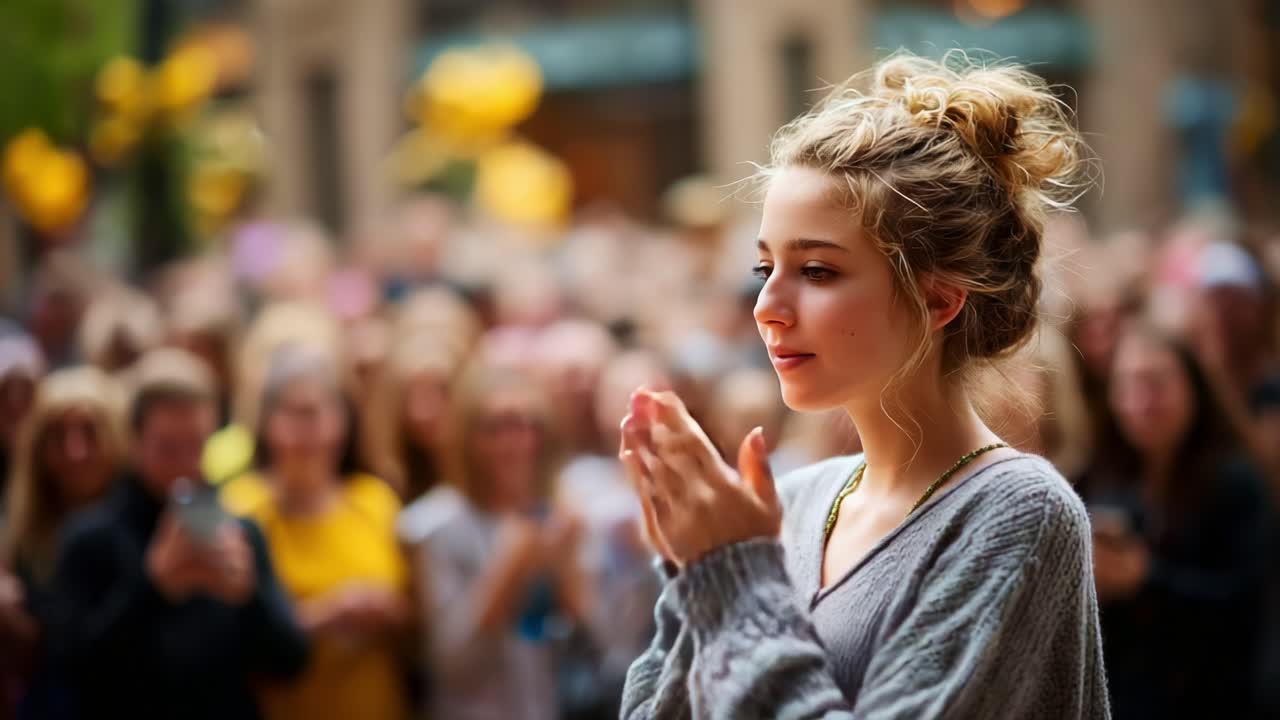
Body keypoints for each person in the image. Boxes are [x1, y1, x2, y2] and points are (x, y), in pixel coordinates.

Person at [618, 52, 1109, 718]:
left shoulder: (1017, 512)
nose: (766, 305)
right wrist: (693, 570)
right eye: (766, 266)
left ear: (938, 300)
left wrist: (731, 575)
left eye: (817, 270)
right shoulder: (788, 502)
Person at [43, 348, 307, 720]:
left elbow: (291, 661)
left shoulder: (240, 532)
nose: (185, 464)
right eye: (167, 447)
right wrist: (153, 588)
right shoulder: (89, 539)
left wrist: (249, 597)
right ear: (133, 441)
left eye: (196, 445)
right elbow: (69, 671)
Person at [1082, 324, 1272, 718]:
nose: (1143, 400)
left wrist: (1145, 580)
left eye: (1157, 382)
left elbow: (1245, 608)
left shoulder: (1236, 484)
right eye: (1131, 384)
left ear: (1194, 388)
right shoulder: (1103, 479)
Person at [221, 345, 411, 720]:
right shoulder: (241, 508)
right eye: (293, 414)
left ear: (341, 420)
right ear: (266, 423)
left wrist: (389, 613)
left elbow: (415, 617)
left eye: (317, 412)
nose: (306, 430)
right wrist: (325, 615)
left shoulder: (374, 500)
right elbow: (228, 636)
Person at [415, 363, 589, 720]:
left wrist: (569, 574)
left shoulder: (557, 516)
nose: (517, 442)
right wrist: (509, 567)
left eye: (529, 425)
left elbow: (593, 650)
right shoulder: (434, 526)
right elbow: (450, 663)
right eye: (498, 427)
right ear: (468, 437)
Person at [0, 367, 124, 720]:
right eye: (58, 435)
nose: (75, 451)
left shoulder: (148, 533)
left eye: (91, 432)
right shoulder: (18, 539)